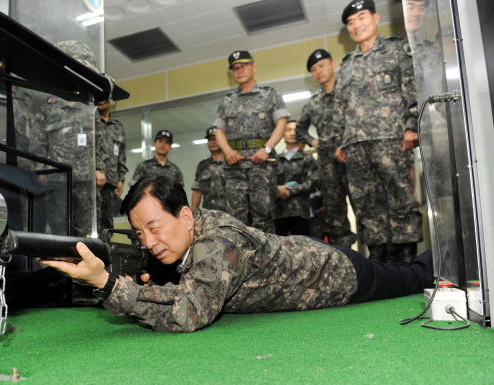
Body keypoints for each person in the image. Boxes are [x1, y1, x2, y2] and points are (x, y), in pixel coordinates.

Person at [39, 176, 434, 333]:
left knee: (413, 276)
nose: (149, 241)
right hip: (309, 253)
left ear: (187, 215)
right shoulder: (190, 236)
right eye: (139, 233)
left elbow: (187, 314)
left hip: (336, 274)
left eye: (154, 227)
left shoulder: (218, 243)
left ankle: (455, 257)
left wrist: (106, 284)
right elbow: (187, 290)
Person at [335, 0, 422, 263]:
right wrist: (341, 142)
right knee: (366, 204)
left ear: (375, 18)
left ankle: (407, 261)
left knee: (400, 198)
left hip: (391, 139)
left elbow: (413, 88)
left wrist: (411, 126)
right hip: (356, 146)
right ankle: (379, 261)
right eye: (351, 22)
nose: (356, 25)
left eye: (361, 18)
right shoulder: (347, 63)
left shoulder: (396, 49)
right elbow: (340, 106)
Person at [213, 50, 290, 234]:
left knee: (264, 216)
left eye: (244, 66)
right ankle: (242, 261)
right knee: (236, 219)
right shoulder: (227, 100)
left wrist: (267, 148)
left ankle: (267, 261)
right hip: (234, 166)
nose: (239, 71)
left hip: (262, 164)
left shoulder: (270, 94)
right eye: (235, 68)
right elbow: (219, 130)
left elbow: (282, 123)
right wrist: (227, 151)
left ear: (254, 67)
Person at [33, 41, 100, 237]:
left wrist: (99, 169)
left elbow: (99, 144)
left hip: (85, 179)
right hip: (58, 178)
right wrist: (42, 171)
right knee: (58, 226)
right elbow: (38, 144)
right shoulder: (48, 110)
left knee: (85, 228)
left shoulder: (89, 111)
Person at [296, 49, 356, 247]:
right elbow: (299, 129)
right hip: (328, 165)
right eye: (313, 69)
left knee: (366, 211)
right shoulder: (314, 102)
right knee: (335, 216)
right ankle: (347, 261)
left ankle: (377, 264)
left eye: (321, 65)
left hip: (354, 158)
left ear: (332, 64)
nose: (318, 71)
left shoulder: (349, 92)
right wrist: (314, 142)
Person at [275, 120, 319, 237]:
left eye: (296, 130)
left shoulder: (308, 159)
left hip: (300, 212)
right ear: (282, 133)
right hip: (277, 213)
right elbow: (266, 183)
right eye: (288, 130)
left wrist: (289, 192)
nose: (292, 133)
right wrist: (277, 189)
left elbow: (312, 183)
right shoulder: (274, 160)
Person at [95, 101, 128, 234]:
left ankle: (104, 252)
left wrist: (121, 179)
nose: (101, 101)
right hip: (92, 180)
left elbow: (121, 154)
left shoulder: (117, 126)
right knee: (92, 220)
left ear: (112, 101)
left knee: (107, 222)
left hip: (111, 181)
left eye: (105, 98)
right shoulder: (90, 121)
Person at [191, 126, 226, 212]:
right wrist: (193, 214)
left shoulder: (231, 162)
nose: (213, 142)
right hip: (210, 216)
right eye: (210, 140)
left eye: (215, 139)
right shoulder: (203, 165)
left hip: (232, 214)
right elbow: (197, 191)